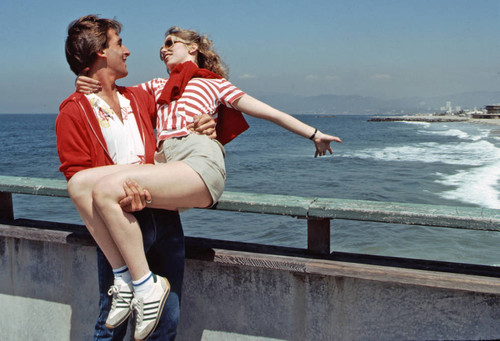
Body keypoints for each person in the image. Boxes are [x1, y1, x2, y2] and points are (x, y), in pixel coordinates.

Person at [70, 25, 343, 339]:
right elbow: (115, 93)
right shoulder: (159, 87)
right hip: (165, 164)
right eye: (161, 46)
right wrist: (84, 82)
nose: (163, 49)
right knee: (79, 184)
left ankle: (142, 285)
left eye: (171, 43)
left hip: (198, 157)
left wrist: (313, 134)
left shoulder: (213, 85)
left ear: (192, 48)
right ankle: (127, 279)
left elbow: (269, 112)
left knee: (105, 189)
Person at [56, 15, 216, 340]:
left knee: (166, 324)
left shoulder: (141, 97)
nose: (127, 51)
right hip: (119, 228)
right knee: (111, 326)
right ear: (100, 52)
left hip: (165, 221)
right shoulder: (73, 112)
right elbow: (80, 180)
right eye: (119, 44)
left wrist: (207, 126)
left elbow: (183, 106)